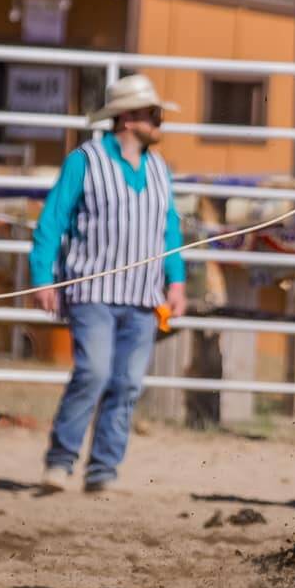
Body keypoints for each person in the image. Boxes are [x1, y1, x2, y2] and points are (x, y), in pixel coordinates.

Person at [29, 73, 189, 493]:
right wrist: (42, 276)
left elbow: (169, 229)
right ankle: (61, 461)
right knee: (94, 372)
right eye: (154, 114)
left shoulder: (158, 169)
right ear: (129, 118)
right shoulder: (84, 160)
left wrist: (176, 282)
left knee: (127, 383)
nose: (159, 122)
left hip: (142, 295)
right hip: (91, 290)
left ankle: (103, 469)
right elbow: (52, 221)